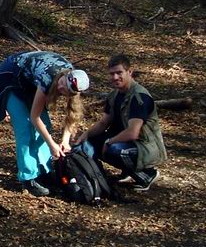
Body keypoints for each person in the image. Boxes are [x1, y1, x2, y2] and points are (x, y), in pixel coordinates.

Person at [0, 51, 90, 197]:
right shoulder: (48, 77)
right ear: (63, 76)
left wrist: (65, 141)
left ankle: (43, 171)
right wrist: (51, 145)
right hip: (9, 78)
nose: (61, 89)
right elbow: (34, 117)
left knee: (46, 126)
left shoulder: (76, 82)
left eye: (66, 91)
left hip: (29, 82)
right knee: (24, 126)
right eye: (62, 85)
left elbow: (72, 115)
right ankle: (28, 176)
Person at [72, 54, 167, 192]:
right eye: (112, 74)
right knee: (90, 142)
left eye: (119, 73)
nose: (115, 77)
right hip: (126, 142)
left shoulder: (139, 97)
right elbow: (104, 123)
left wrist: (109, 142)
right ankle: (107, 175)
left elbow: (133, 133)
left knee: (114, 150)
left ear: (130, 72)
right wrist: (85, 135)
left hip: (144, 147)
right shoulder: (114, 95)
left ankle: (147, 174)